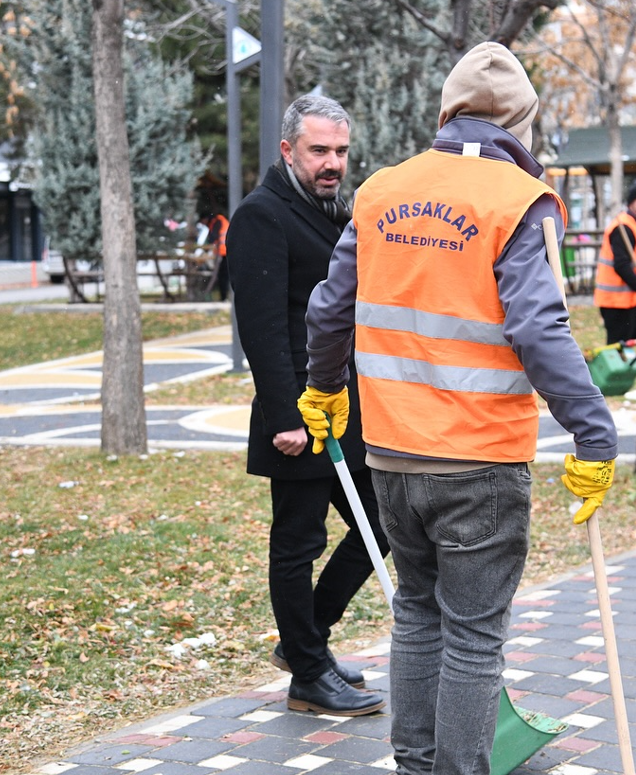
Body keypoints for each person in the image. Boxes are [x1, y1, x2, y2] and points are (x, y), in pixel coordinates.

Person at [297, 43, 619, 775]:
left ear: (445, 113)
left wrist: (323, 387)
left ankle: (415, 766)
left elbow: (328, 309)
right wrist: (592, 434)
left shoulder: (379, 190)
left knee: (416, 611)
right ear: (523, 122)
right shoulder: (517, 200)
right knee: (473, 634)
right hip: (479, 459)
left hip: (392, 455)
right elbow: (539, 327)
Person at [226, 94, 389, 717]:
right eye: (319, 150)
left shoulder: (330, 210)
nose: (332, 163)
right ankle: (307, 673)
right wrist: (285, 418)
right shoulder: (263, 215)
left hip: (342, 406)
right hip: (298, 409)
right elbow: (262, 329)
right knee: (298, 541)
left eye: (341, 151)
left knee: (380, 522)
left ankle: (306, 644)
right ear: (288, 149)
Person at [594, 179, 636, 343]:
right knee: (617, 349)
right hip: (616, 302)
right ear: (631, 203)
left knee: (635, 343)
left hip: (629, 300)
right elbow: (622, 265)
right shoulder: (623, 227)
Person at [202, 207, 230, 301]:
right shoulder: (220, 220)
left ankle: (223, 297)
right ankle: (223, 297)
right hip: (224, 252)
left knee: (223, 276)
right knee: (222, 276)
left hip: (223, 252)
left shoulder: (217, 221)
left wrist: (205, 249)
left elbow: (213, 237)